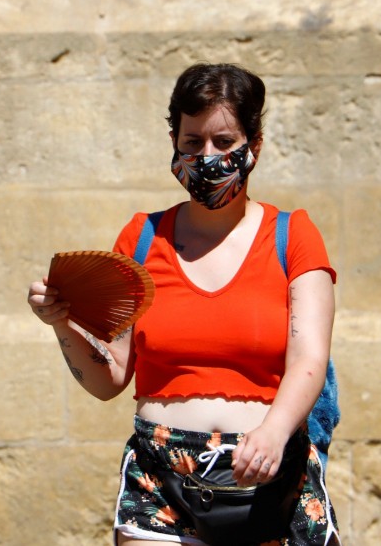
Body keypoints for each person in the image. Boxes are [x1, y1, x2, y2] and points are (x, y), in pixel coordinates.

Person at [28, 63, 340, 546]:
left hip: (269, 473)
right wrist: (61, 323)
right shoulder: (141, 238)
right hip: (160, 478)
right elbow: (110, 378)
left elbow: (308, 358)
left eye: (224, 142)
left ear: (254, 147)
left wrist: (274, 432)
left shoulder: (292, 235)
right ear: (174, 142)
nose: (207, 157)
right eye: (193, 142)